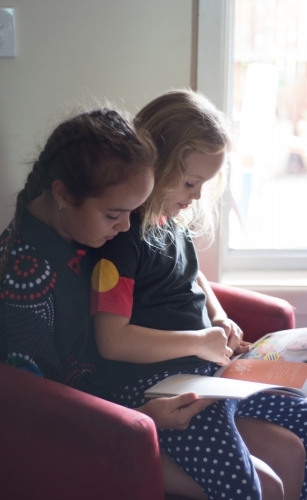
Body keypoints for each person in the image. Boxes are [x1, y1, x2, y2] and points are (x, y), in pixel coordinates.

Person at [0, 106, 226, 486]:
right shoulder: (24, 285)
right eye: (114, 215)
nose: (125, 227)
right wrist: (142, 415)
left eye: (132, 213)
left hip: (121, 405)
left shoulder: (76, 233)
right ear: (62, 194)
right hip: (73, 439)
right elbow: (42, 415)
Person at [90, 90, 306, 500]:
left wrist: (220, 316)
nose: (198, 194)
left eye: (204, 184)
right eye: (191, 182)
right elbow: (112, 339)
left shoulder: (172, 220)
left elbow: (194, 278)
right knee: (243, 484)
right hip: (160, 388)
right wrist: (201, 342)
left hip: (208, 376)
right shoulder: (121, 237)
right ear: (157, 164)